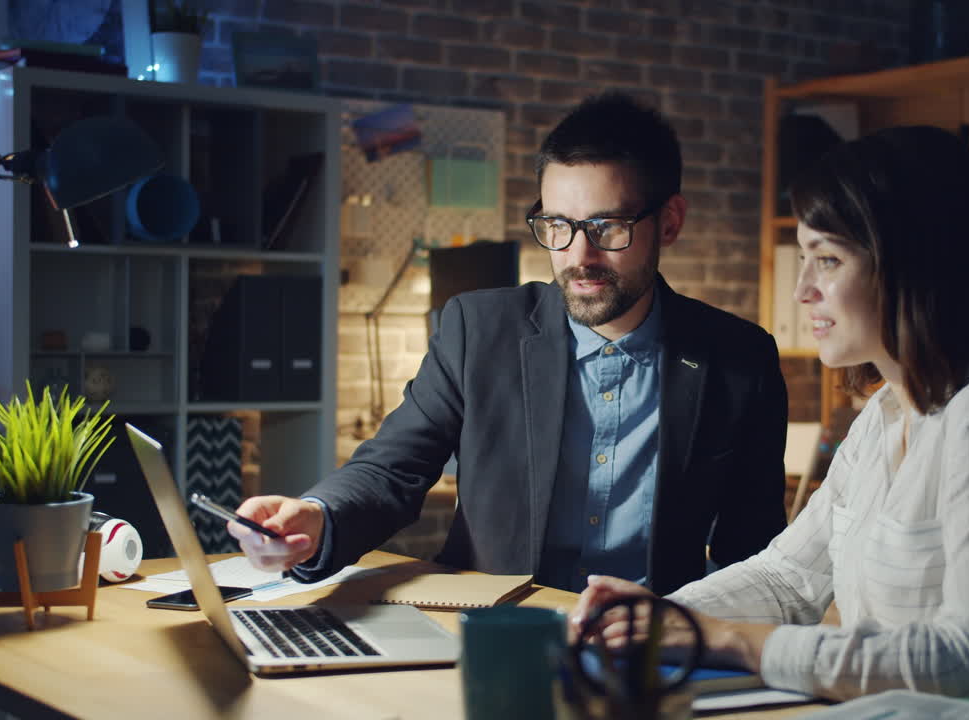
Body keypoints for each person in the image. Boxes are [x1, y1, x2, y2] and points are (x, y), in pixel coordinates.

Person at [571, 125, 969, 708]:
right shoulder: (886, 411)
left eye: (828, 260)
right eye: (804, 260)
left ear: (913, 265)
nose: (803, 292)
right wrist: (659, 616)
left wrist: (733, 640)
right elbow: (787, 578)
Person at [228, 93, 788, 595]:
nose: (578, 257)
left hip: (646, 653)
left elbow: (755, 553)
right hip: (493, 633)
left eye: (607, 228)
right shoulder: (477, 328)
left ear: (670, 222)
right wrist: (316, 516)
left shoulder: (741, 361)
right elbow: (392, 469)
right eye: (557, 225)